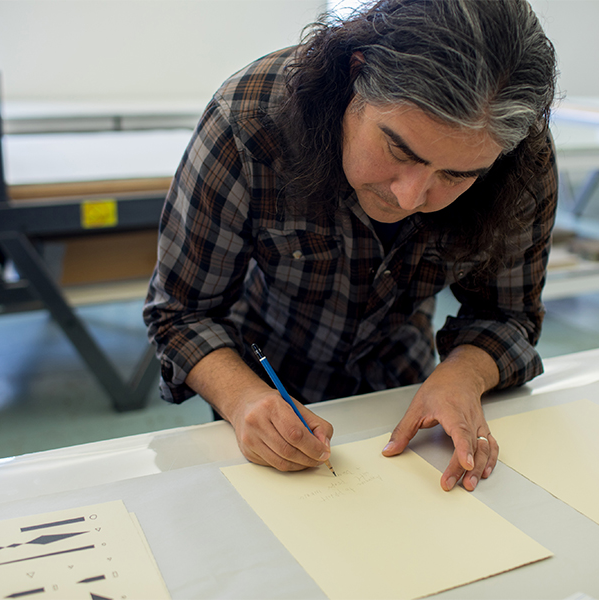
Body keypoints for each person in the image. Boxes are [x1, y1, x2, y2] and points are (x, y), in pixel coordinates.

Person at [144, 0, 558, 492]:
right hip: (265, 374)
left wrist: (464, 375)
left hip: (405, 383)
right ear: (356, 74)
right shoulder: (249, 121)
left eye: (456, 175)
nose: (411, 197)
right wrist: (240, 399)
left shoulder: (517, 160)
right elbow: (181, 312)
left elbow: (507, 315)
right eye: (399, 150)